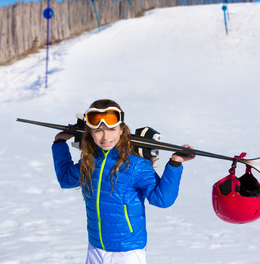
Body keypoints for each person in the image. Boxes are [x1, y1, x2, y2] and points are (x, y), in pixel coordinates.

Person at [52, 99, 195, 264]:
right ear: (90, 133)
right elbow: (65, 180)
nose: (106, 137)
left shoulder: (135, 165)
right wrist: (59, 142)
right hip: (95, 247)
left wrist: (175, 163)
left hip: (127, 251)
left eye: (112, 129)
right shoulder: (90, 160)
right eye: (98, 130)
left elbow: (162, 199)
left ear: (122, 130)